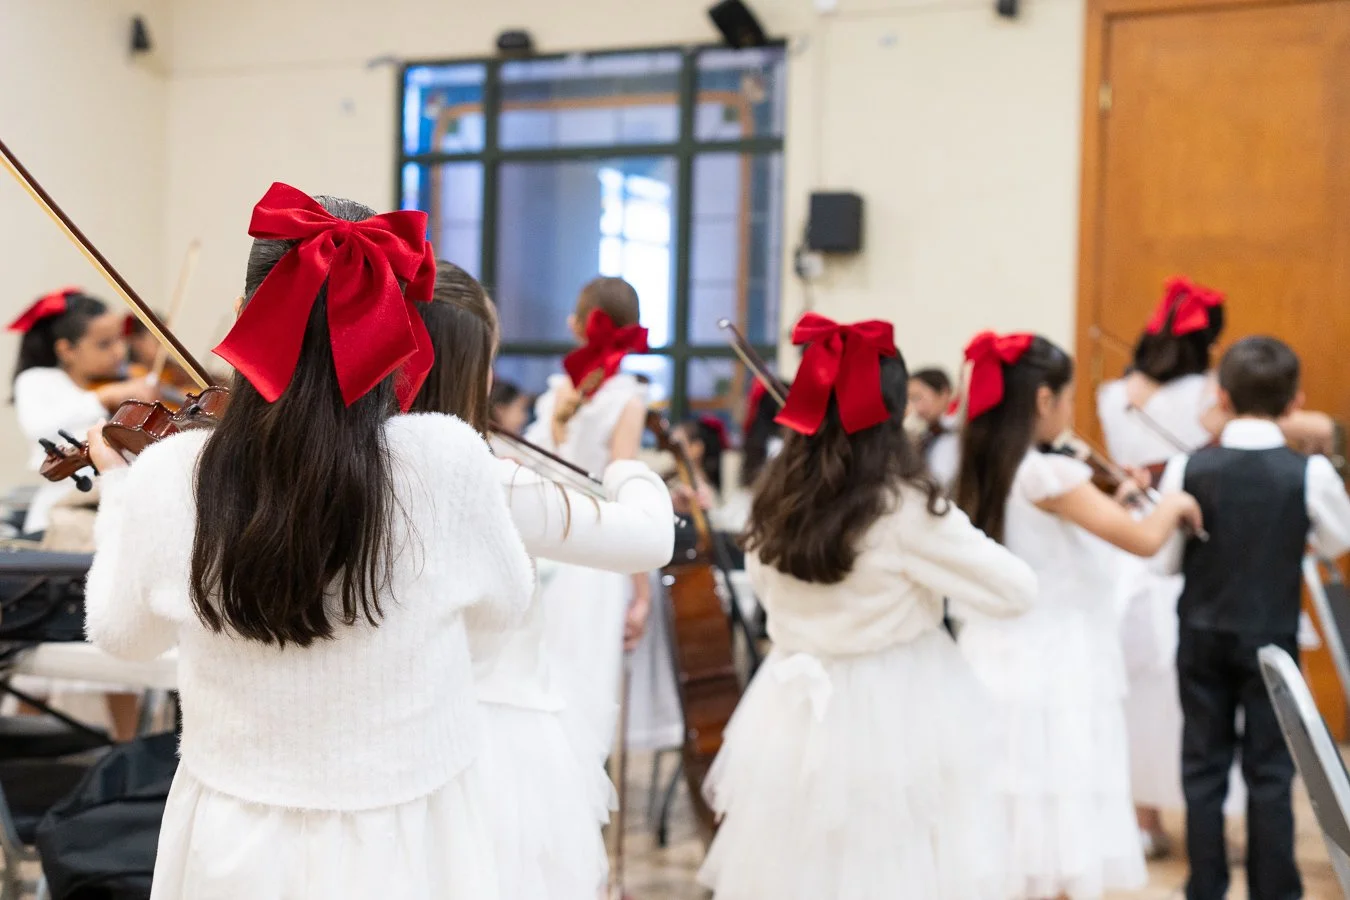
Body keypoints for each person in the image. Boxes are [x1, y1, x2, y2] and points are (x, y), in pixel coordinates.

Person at [83, 184, 531, 898]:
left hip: (234, 835)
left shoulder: (170, 474)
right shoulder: (449, 457)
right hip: (413, 829)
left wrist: (121, 494)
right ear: (394, 327)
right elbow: (501, 615)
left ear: (241, 318)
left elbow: (120, 636)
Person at [697, 314, 1037, 900]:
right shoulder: (904, 510)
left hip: (792, 706)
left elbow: (766, 586)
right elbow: (1016, 589)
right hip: (898, 706)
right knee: (893, 870)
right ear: (895, 413)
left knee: (801, 872)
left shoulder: (773, 498)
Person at [412, 260, 674, 899]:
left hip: (404, 739)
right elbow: (642, 529)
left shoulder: (351, 465)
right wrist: (635, 478)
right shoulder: (485, 477)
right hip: (570, 543)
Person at [953, 331, 1204, 899]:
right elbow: (1143, 540)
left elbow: (1062, 535)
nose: (1072, 412)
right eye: (1067, 399)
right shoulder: (1051, 473)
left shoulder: (992, 465)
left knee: (1017, 804)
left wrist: (1116, 500)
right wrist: (1175, 503)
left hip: (1000, 650)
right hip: (1058, 657)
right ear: (1044, 401)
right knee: (1061, 801)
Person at [1155, 336, 1350, 900]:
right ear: (1295, 402)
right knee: (1271, 771)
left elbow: (1168, 562)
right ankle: (1275, 891)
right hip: (1273, 638)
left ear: (1222, 395)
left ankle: (1206, 887)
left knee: (1202, 767)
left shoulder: (1186, 466)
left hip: (1200, 633)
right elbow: (1336, 539)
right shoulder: (1307, 473)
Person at [1097, 275, 1229, 856]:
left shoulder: (1111, 393)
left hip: (1122, 540)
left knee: (1134, 688)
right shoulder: (1208, 391)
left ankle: (1143, 821)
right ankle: (1211, 824)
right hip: (1181, 536)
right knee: (1197, 691)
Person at [523, 276, 653, 762]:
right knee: (584, 698)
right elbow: (623, 499)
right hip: (595, 559)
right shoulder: (627, 401)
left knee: (539, 688)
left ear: (580, 325)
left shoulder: (555, 394)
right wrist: (641, 592)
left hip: (541, 549)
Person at [9, 288, 158, 535]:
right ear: (66, 350)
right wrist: (103, 397)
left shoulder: (125, 380)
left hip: (119, 511)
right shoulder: (37, 380)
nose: (119, 351)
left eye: (119, 339)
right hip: (58, 518)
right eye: (104, 344)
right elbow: (40, 426)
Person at [908, 366, 959, 490]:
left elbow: (939, 481)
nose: (917, 408)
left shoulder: (956, 433)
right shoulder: (926, 434)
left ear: (943, 393)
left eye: (918, 397)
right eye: (910, 400)